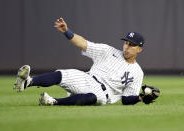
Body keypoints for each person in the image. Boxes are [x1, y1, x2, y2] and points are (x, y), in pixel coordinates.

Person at [14, 17, 145, 106]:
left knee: (92, 97)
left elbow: (126, 99)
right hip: (87, 78)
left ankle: (53, 101)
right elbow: (83, 44)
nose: (126, 47)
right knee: (61, 74)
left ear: (139, 49)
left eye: (131, 45)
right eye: (126, 43)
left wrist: (141, 98)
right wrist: (66, 31)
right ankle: (27, 82)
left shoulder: (137, 72)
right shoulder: (108, 51)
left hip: (102, 94)